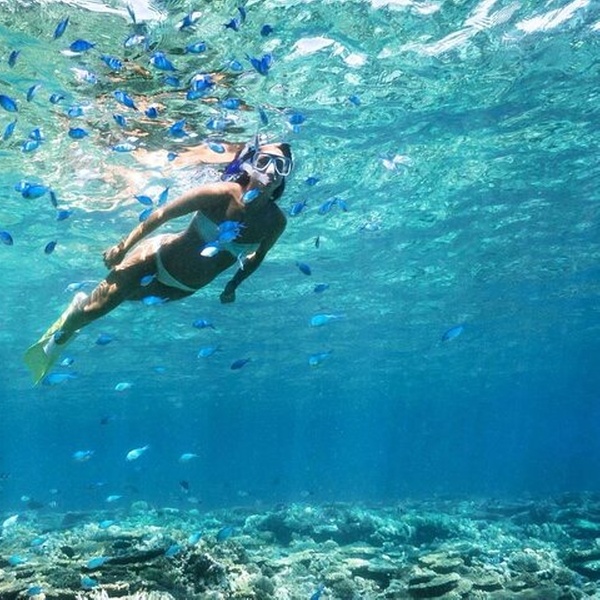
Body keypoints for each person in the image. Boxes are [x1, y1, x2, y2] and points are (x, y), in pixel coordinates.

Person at [25, 139, 293, 383]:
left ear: (285, 174)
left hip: (182, 289)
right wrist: (122, 247)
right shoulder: (221, 193)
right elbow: (163, 214)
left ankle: (78, 309)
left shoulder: (275, 222)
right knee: (96, 310)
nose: (271, 171)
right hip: (154, 258)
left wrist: (232, 286)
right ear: (250, 164)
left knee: (114, 302)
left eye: (280, 166)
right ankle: (61, 338)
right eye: (264, 161)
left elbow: (257, 256)